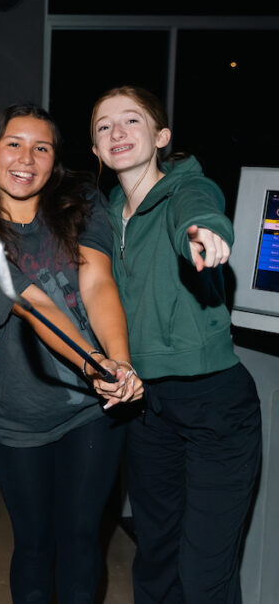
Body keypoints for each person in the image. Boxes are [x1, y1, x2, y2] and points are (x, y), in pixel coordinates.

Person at [0, 104, 142, 603]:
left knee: (80, 538)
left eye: (42, 148)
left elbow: (97, 282)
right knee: (34, 545)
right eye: (13, 143)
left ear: (55, 162)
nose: (26, 158)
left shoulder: (82, 203)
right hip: (18, 415)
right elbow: (34, 305)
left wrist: (119, 363)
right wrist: (96, 363)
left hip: (91, 410)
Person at [89, 86, 262, 603]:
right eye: (104, 126)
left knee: (204, 572)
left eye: (131, 120)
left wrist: (202, 232)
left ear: (161, 136)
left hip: (214, 404)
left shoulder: (186, 190)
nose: (117, 132)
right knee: (156, 555)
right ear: (95, 149)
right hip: (146, 406)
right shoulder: (108, 210)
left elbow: (198, 209)